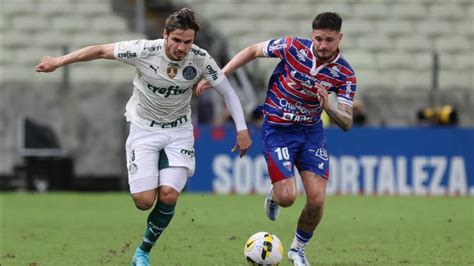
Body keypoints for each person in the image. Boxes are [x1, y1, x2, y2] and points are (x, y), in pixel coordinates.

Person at [35, 8, 252, 266]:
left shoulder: (201, 59)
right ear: (165, 35)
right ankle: (159, 167)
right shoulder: (143, 50)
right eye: (177, 40)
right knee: (143, 201)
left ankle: (142, 251)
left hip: (178, 131)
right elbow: (100, 50)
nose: (182, 48)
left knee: (169, 194)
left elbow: (227, 92)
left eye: (188, 42)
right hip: (144, 129)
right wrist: (58, 62)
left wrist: (241, 129)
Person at [197, 12, 356, 265]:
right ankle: (275, 194)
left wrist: (330, 107)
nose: (323, 45)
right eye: (318, 39)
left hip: (311, 133)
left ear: (340, 37)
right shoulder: (293, 47)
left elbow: (346, 122)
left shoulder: (345, 74)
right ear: (312, 35)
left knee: (317, 199)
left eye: (329, 40)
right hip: (279, 129)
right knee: (287, 198)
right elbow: (252, 51)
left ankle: (297, 249)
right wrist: (220, 75)